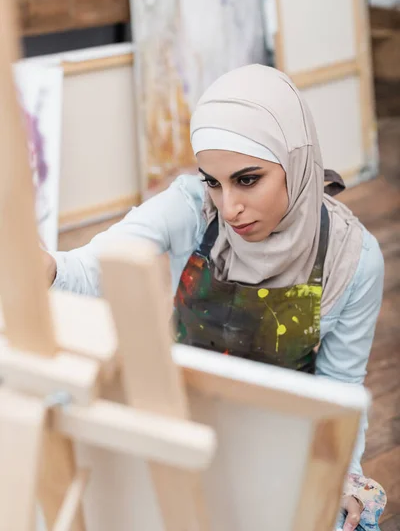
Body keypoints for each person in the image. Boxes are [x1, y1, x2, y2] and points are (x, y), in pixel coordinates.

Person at [44, 65, 386, 531]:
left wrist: (343, 474)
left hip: (276, 439)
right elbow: (96, 266)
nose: (229, 207)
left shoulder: (353, 257)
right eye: (213, 180)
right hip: (182, 418)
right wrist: (46, 269)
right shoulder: (191, 208)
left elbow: (342, 387)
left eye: (248, 179)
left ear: (296, 161)